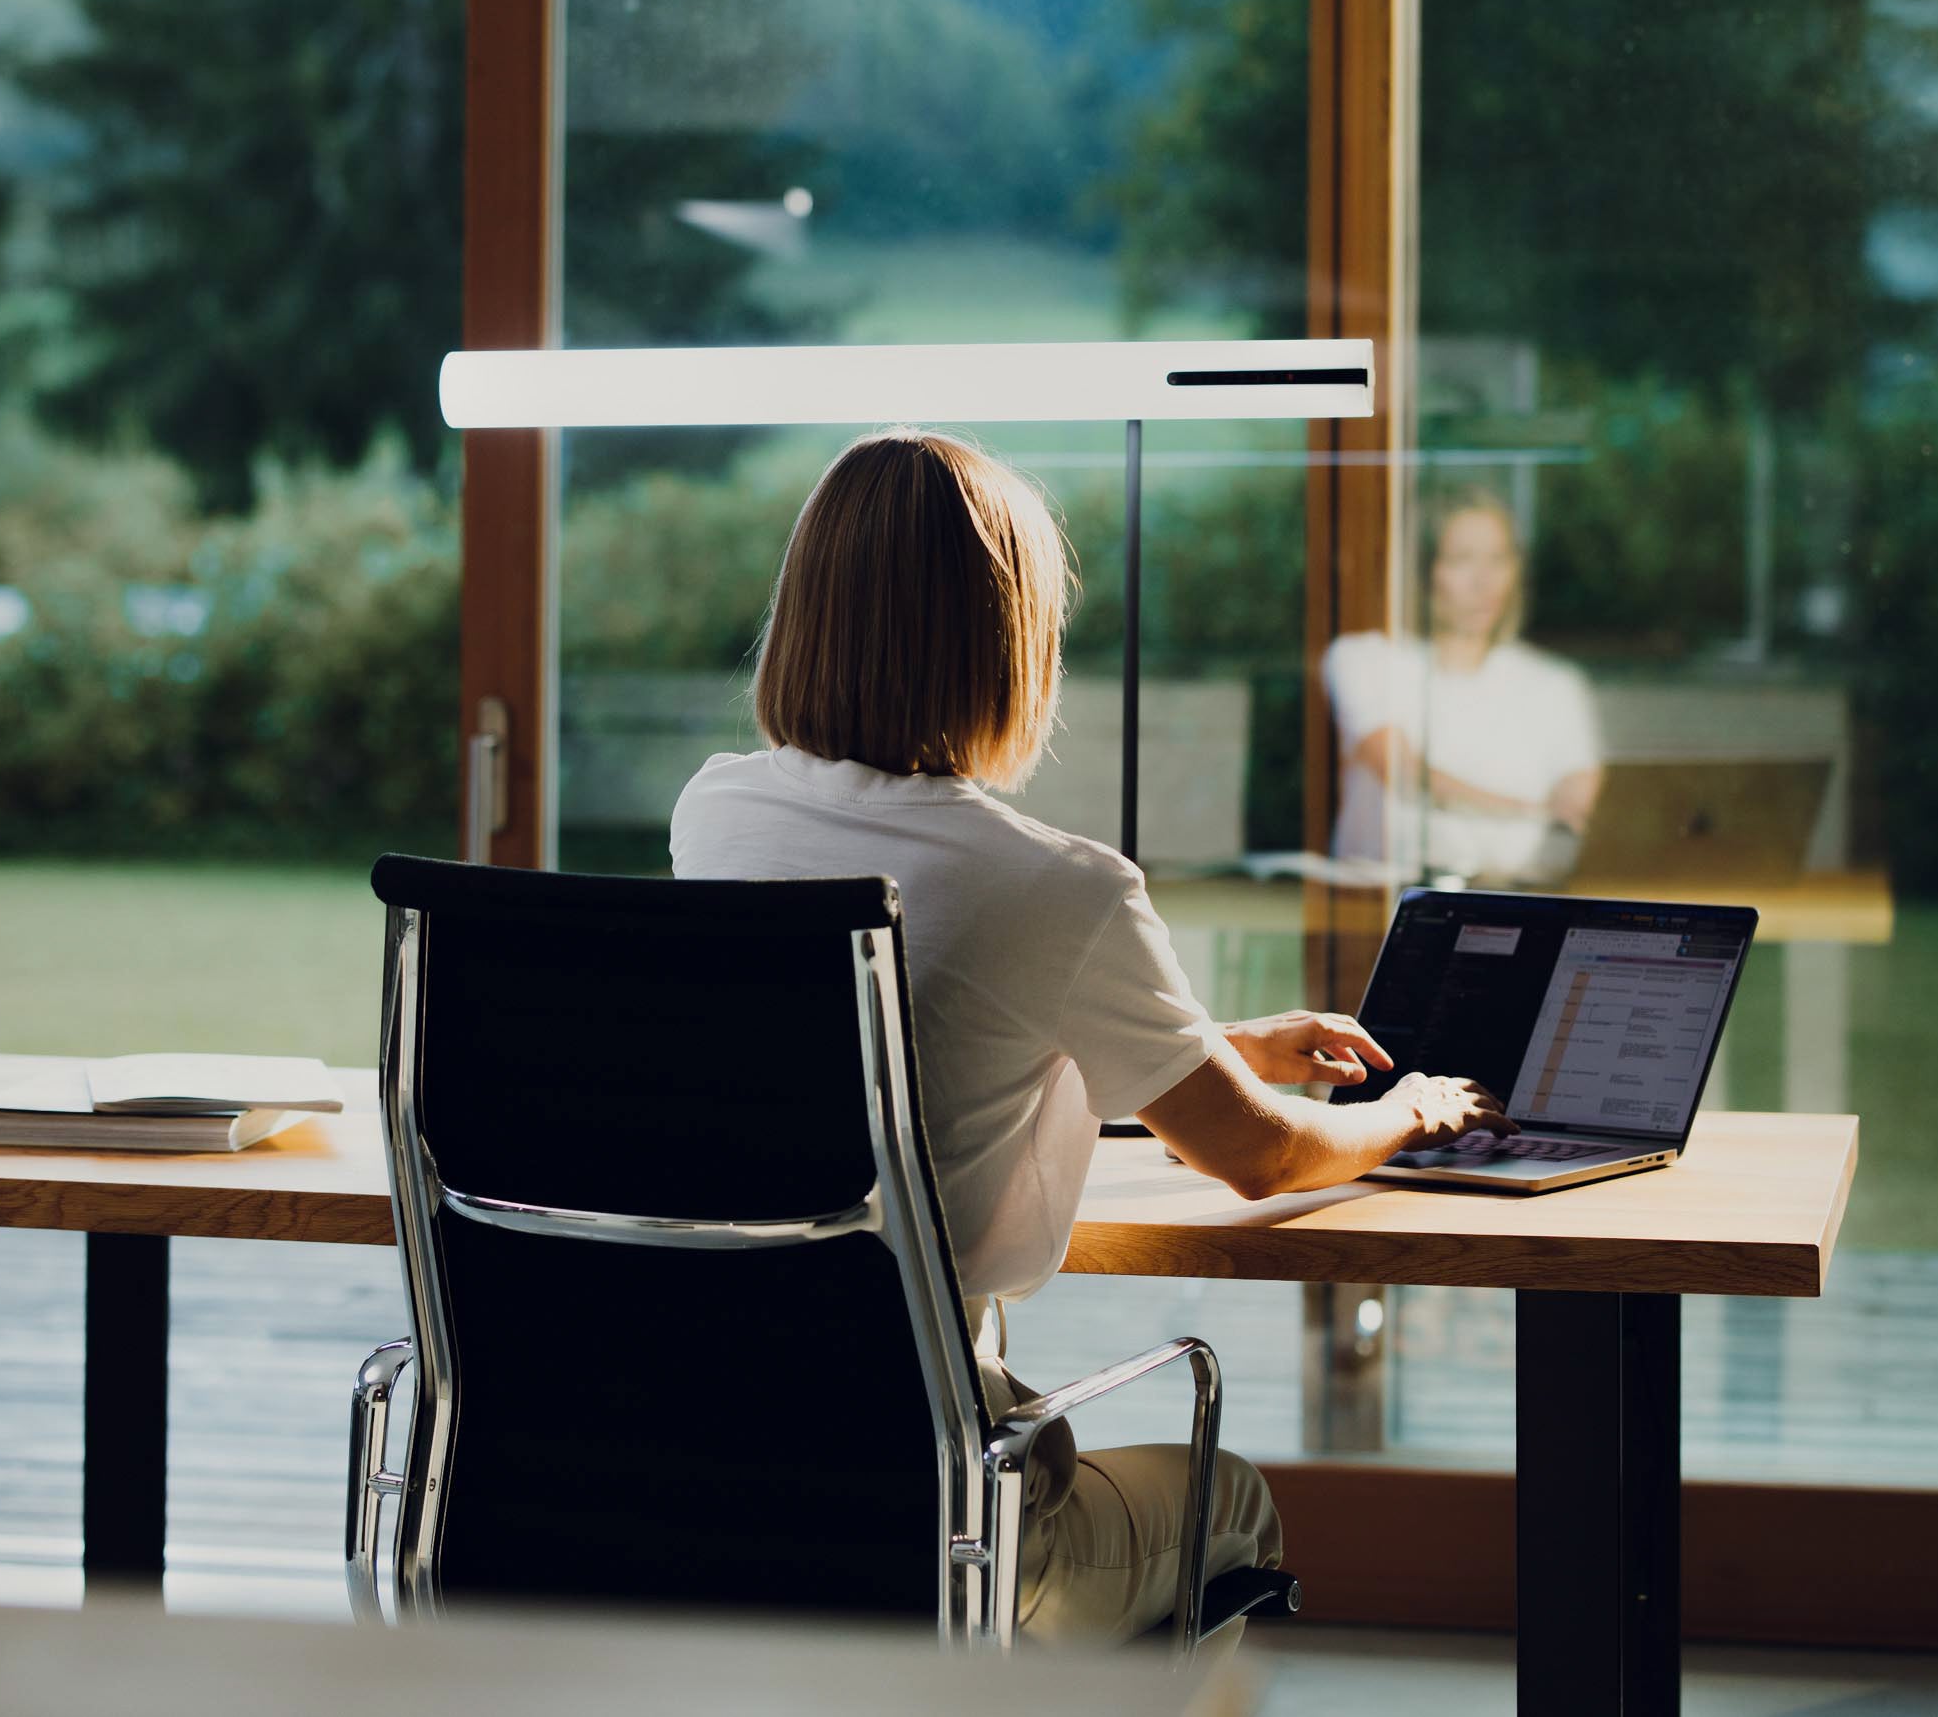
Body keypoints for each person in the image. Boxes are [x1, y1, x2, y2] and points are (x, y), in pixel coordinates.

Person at [670, 430, 1504, 1647]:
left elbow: (880, 1041)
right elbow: (1262, 1158)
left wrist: (1206, 1040)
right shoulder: (1056, 889)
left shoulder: (717, 814)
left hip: (702, 1472)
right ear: (1007, 645)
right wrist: (1409, 1106)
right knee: (1232, 1497)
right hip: (941, 1514)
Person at [1320, 491, 1603, 883]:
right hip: (1387, 906)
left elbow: (1578, 803)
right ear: (1420, 570)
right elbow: (1403, 771)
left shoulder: (1556, 684)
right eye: (1461, 560)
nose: (1483, 582)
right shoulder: (1363, 660)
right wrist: (1531, 811)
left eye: (1498, 560)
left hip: (1523, 901)